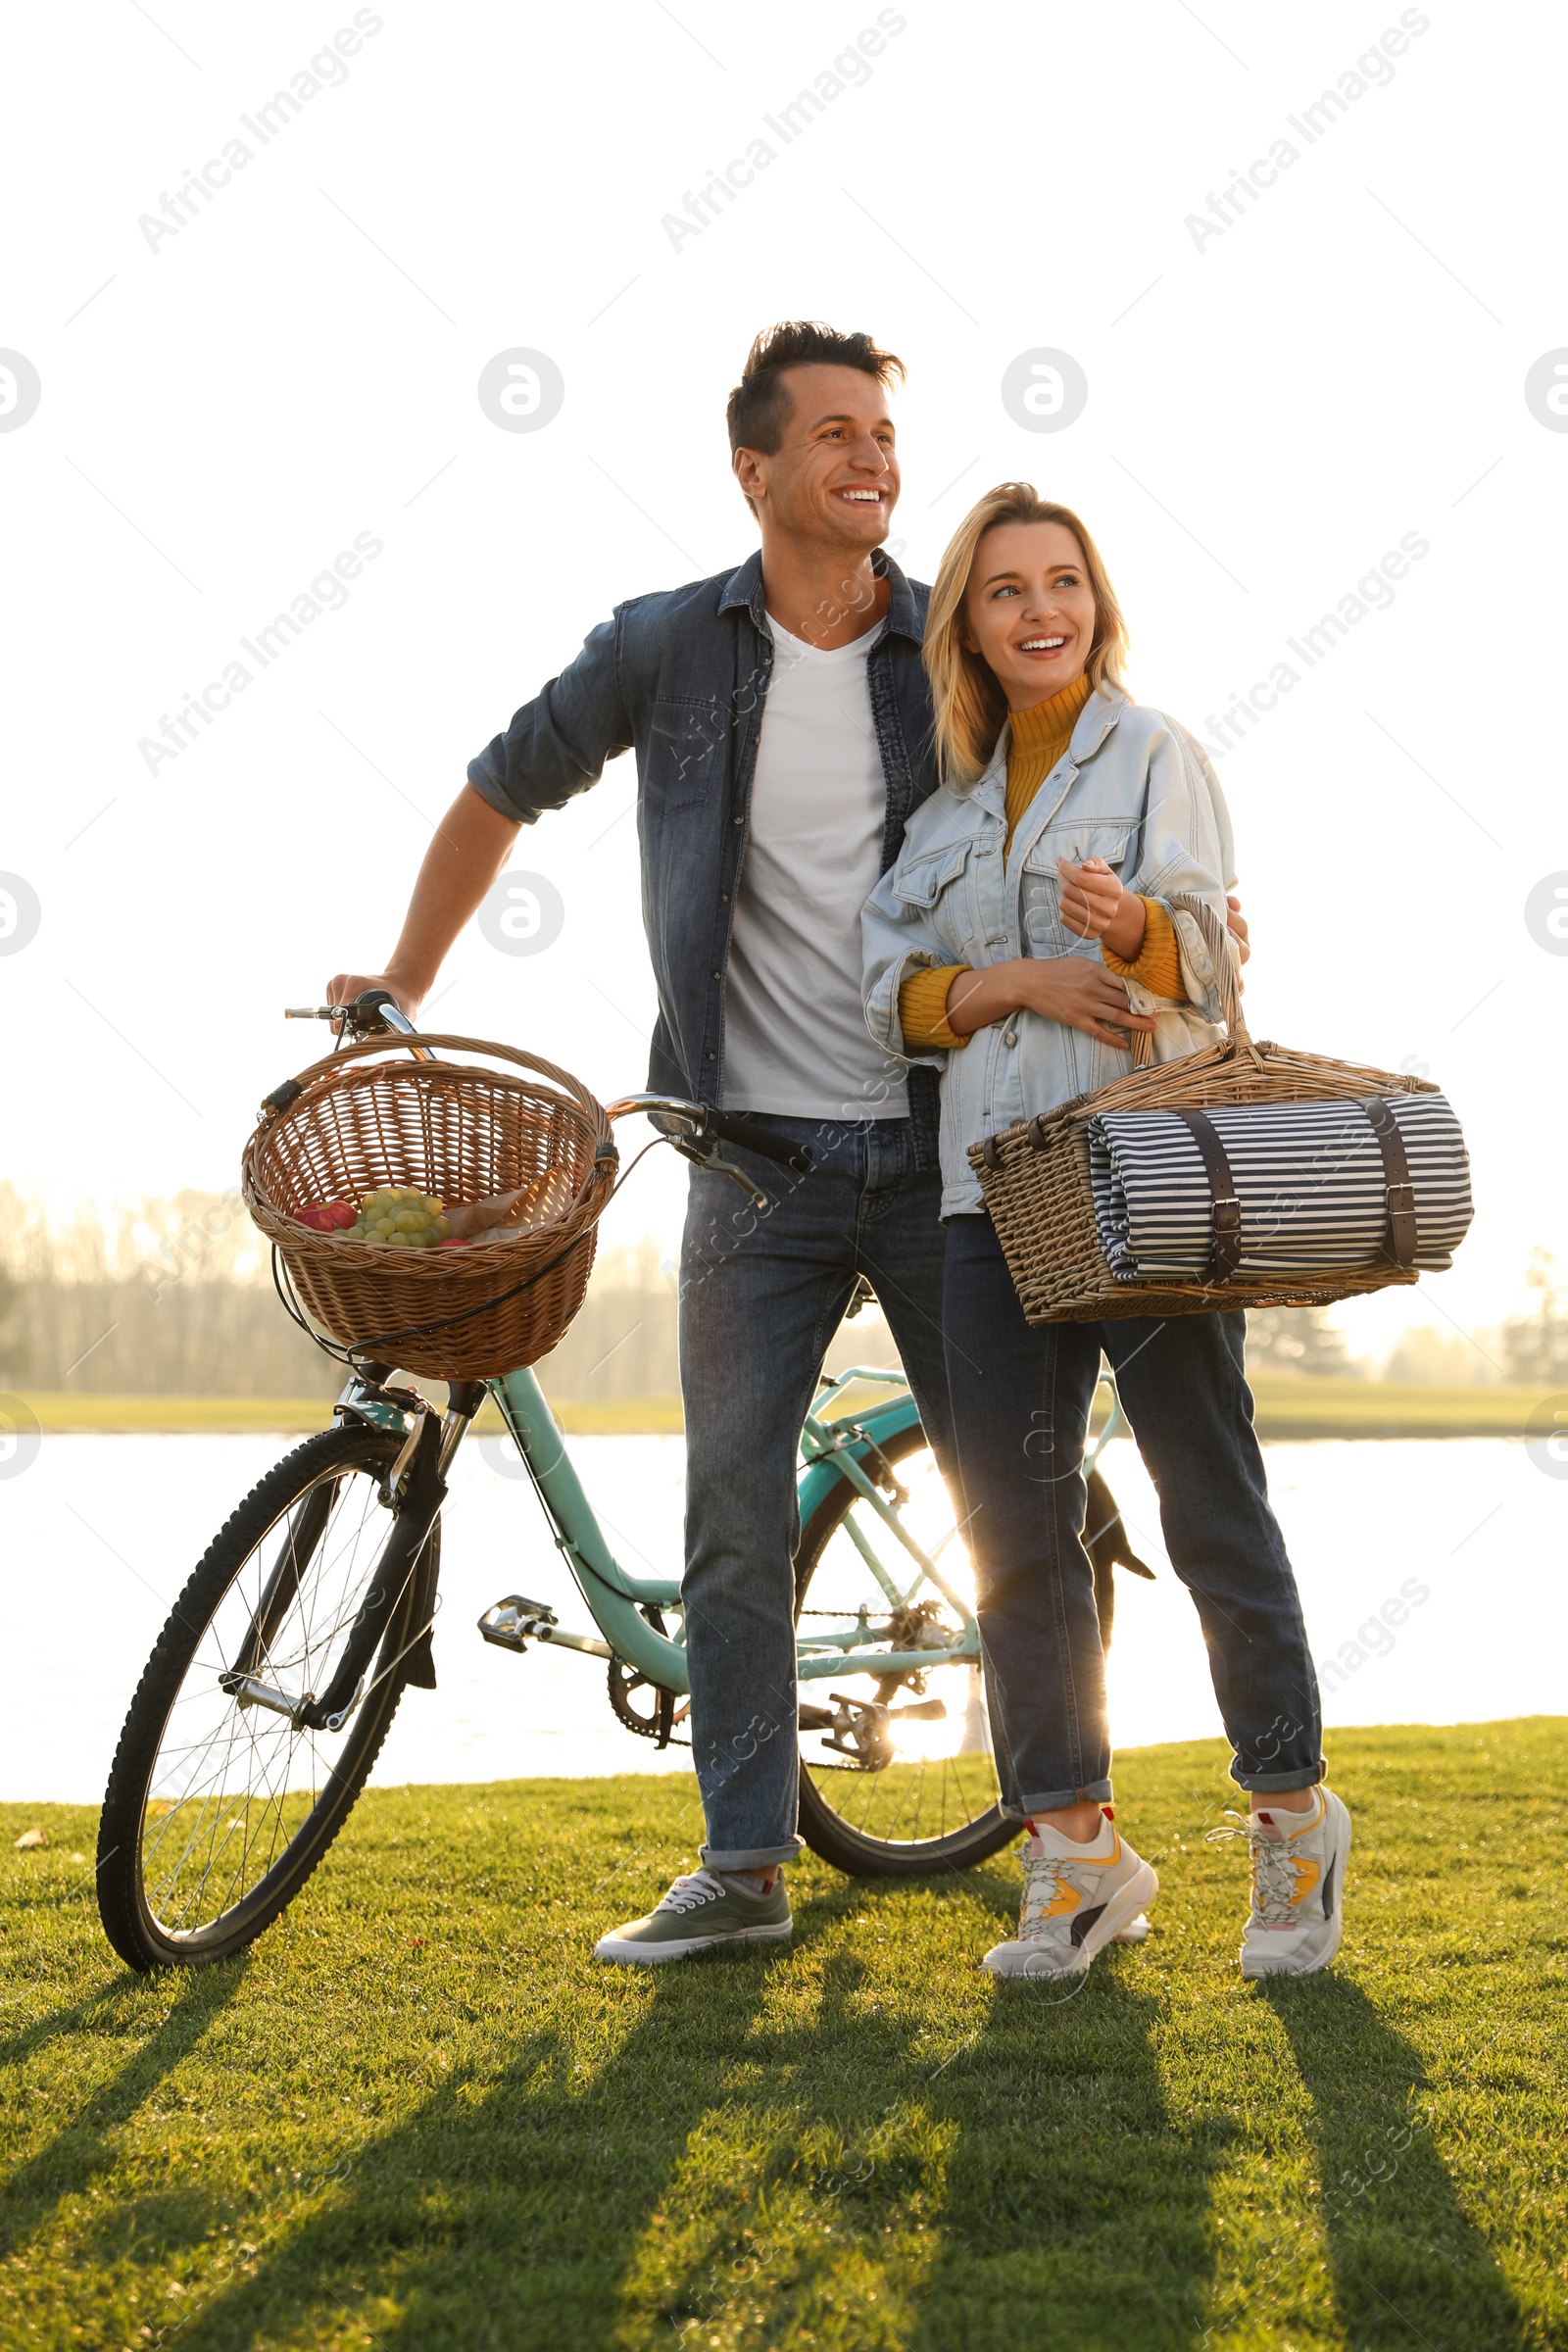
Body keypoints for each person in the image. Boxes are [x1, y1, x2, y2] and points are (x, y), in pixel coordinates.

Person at [326, 320, 962, 1963]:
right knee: (733, 1513)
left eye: (882, 431)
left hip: (942, 1142)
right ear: (755, 470)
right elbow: (496, 791)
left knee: (1014, 1504)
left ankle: (1064, 1843)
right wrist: (402, 980)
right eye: (831, 433)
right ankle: (744, 1869)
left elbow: (1088, 777)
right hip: (750, 1152)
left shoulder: (956, 643)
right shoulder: (669, 646)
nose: (869, 457)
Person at [862, 482, 1349, 1982]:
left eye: (1061, 583)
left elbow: (1209, 958)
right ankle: (1074, 1858)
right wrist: (1009, 985)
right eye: (1005, 591)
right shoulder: (941, 817)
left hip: (1145, 1180)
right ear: (968, 625)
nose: (1039, 612)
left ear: (1096, 602)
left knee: (1209, 1505)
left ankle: (1290, 1817)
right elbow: (886, 997)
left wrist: (1130, 931)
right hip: (984, 1199)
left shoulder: (1157, 758)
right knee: (1015, 1539)